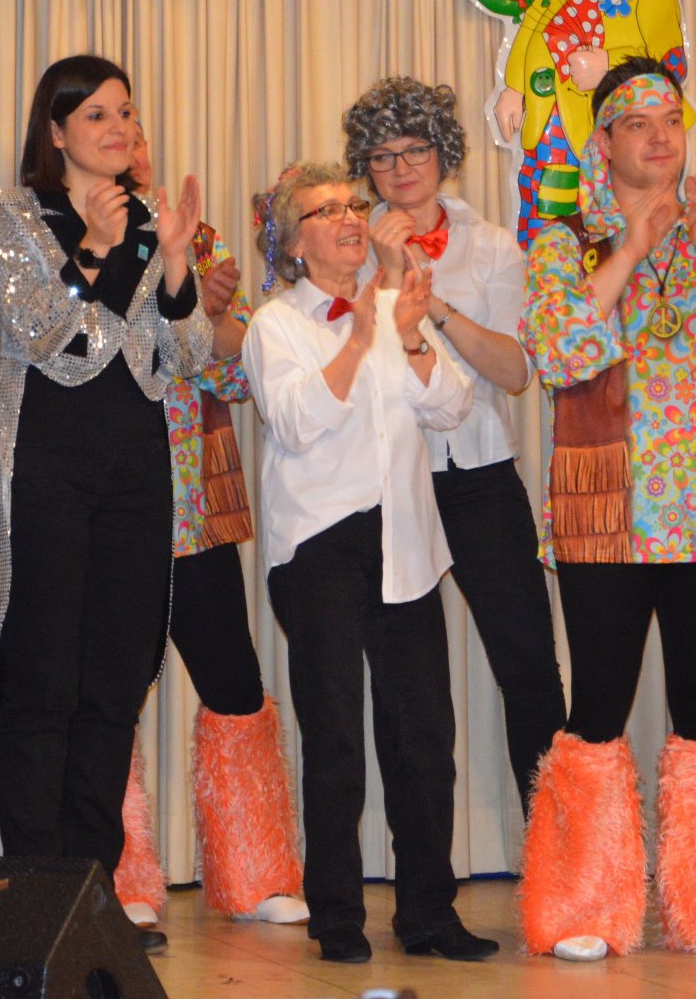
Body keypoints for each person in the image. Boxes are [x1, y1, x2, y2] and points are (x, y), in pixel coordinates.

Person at [517, 57, 696, 965]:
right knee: (597, 706)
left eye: (670, 119)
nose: (659, 136)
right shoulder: (564, 240)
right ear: (603, 142)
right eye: (636, 122)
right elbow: (558, 349)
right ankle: (582, 906)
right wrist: (631, 247)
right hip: (605, 512)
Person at [0, 55, 206, 937]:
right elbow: (52, 341)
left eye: (126, 112)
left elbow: (188, 353)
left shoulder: (149, 219)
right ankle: (35, 895)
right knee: (45, 683)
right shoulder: (14, 219)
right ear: (56, 131)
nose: (118, 128)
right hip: (44, 465)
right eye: (96, 114)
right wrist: (99, 250)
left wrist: (173, 260)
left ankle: (94, 894)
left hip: (134, 466)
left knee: (114, 682)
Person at [243, 163, 496, 965]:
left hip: (406, 538)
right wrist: (356, 341)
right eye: (326, 211)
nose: (351, 218)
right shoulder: (275, 324)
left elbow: (452, 406)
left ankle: (428, 914)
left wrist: (409, 334)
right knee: (336, 737)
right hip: (318, 543)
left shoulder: (395, 306)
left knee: (424, 735)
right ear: (293, 243)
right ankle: (337, 916)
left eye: (353, 205)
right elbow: (294, 422)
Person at [343, 76, 564, 805]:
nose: (401, 168)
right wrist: (382, 273)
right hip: (386, 481)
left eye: (416, 150)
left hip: (480, 476)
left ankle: (557, 850)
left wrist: (431, 302)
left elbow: (515, 371)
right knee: (405, 684)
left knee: (528, 666)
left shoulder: (493, 245)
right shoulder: (346, 245)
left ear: (444, 154)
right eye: (382, 156)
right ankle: (421, 864)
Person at [109, 127, 305, 931]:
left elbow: (241, 365)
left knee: (232, 683)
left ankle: (254, 874)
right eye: (109, 128)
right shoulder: (63, 240)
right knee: (109, 697)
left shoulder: (199, 237)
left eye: (135, 130)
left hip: (192, 505)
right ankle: (117, 878)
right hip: (107, 508)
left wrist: (207, 312)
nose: (128, 145)